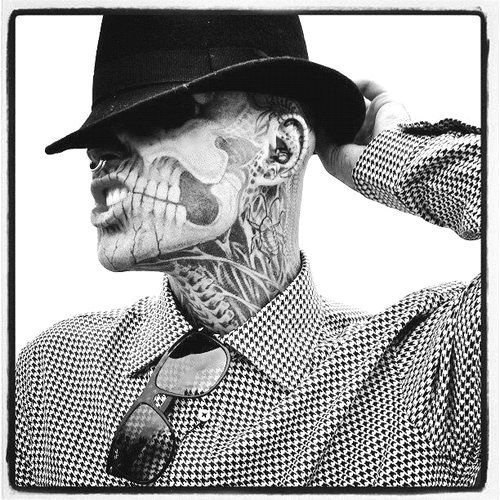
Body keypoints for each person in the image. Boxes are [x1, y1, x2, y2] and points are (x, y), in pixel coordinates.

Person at [14, 14, 481, 488]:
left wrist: (395, 158)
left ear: (281, 149)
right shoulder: (51, 378)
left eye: (163, 113)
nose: (99, 152)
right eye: (100, 131)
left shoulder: (419, 376)